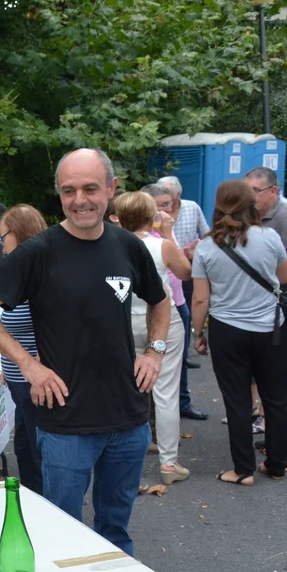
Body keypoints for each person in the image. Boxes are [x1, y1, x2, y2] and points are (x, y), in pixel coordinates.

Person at [0, 148, 169, 556]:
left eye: (90, 188)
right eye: (69, 190)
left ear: (110, 189)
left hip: (128, 420)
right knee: (64, 537)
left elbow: (160, 301)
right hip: (66, 423)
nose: (80, 200)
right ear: (59, 194)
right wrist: (28, 364)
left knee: (116, 534)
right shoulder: (38, 252)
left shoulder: (128, 246)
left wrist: (154, 352)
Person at [191, 179, 287, 485]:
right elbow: (283, 277)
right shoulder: (270, 237)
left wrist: (198, 333)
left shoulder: (206, 247)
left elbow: (200, 299)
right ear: (251, 203)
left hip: (227, 331)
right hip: (270, 329)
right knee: (277, 399)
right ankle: (277, 465)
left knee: (237, 400)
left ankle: (243, 470)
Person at [116, 192, 194, 485]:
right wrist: (168, 232)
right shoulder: (162, 245)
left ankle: (126, 460)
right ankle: (168, 462)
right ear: (152, 216)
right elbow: (185, 273)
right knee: (166, 392)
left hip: (125, 322)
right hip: (163, 320)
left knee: (129, 389)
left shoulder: (112, 245)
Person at [243, 167, 287, 462]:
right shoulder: (251, 213)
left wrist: (263, 264)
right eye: (246, 190)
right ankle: (277, 432)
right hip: (269, 304)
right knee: (270, 371)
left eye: (254, 191)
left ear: (273, 192)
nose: (249, 196)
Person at [145, 183, 209, 422]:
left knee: (178, 361)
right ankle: (154, 416)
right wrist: (168, 234)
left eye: (170, 204)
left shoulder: (164, 231)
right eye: (163, 205)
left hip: (178, 301)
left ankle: (182, 402)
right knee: (154, 359)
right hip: (157, 307)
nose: (170, 210)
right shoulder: (149, 234)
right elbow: (184, 269)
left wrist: (184, 249)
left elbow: (179, 266)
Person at [0, 205, 47, 496]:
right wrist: (7, 361)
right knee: (25, 446)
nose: (1, 245)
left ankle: (50, 508)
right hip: (20, 379)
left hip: (36, 382)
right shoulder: (21, 271)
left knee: (40, 451)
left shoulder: (41, 274)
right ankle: (34, 502)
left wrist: (37, 365)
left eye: (3, 236)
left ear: (19, 234)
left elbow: (57, 325)